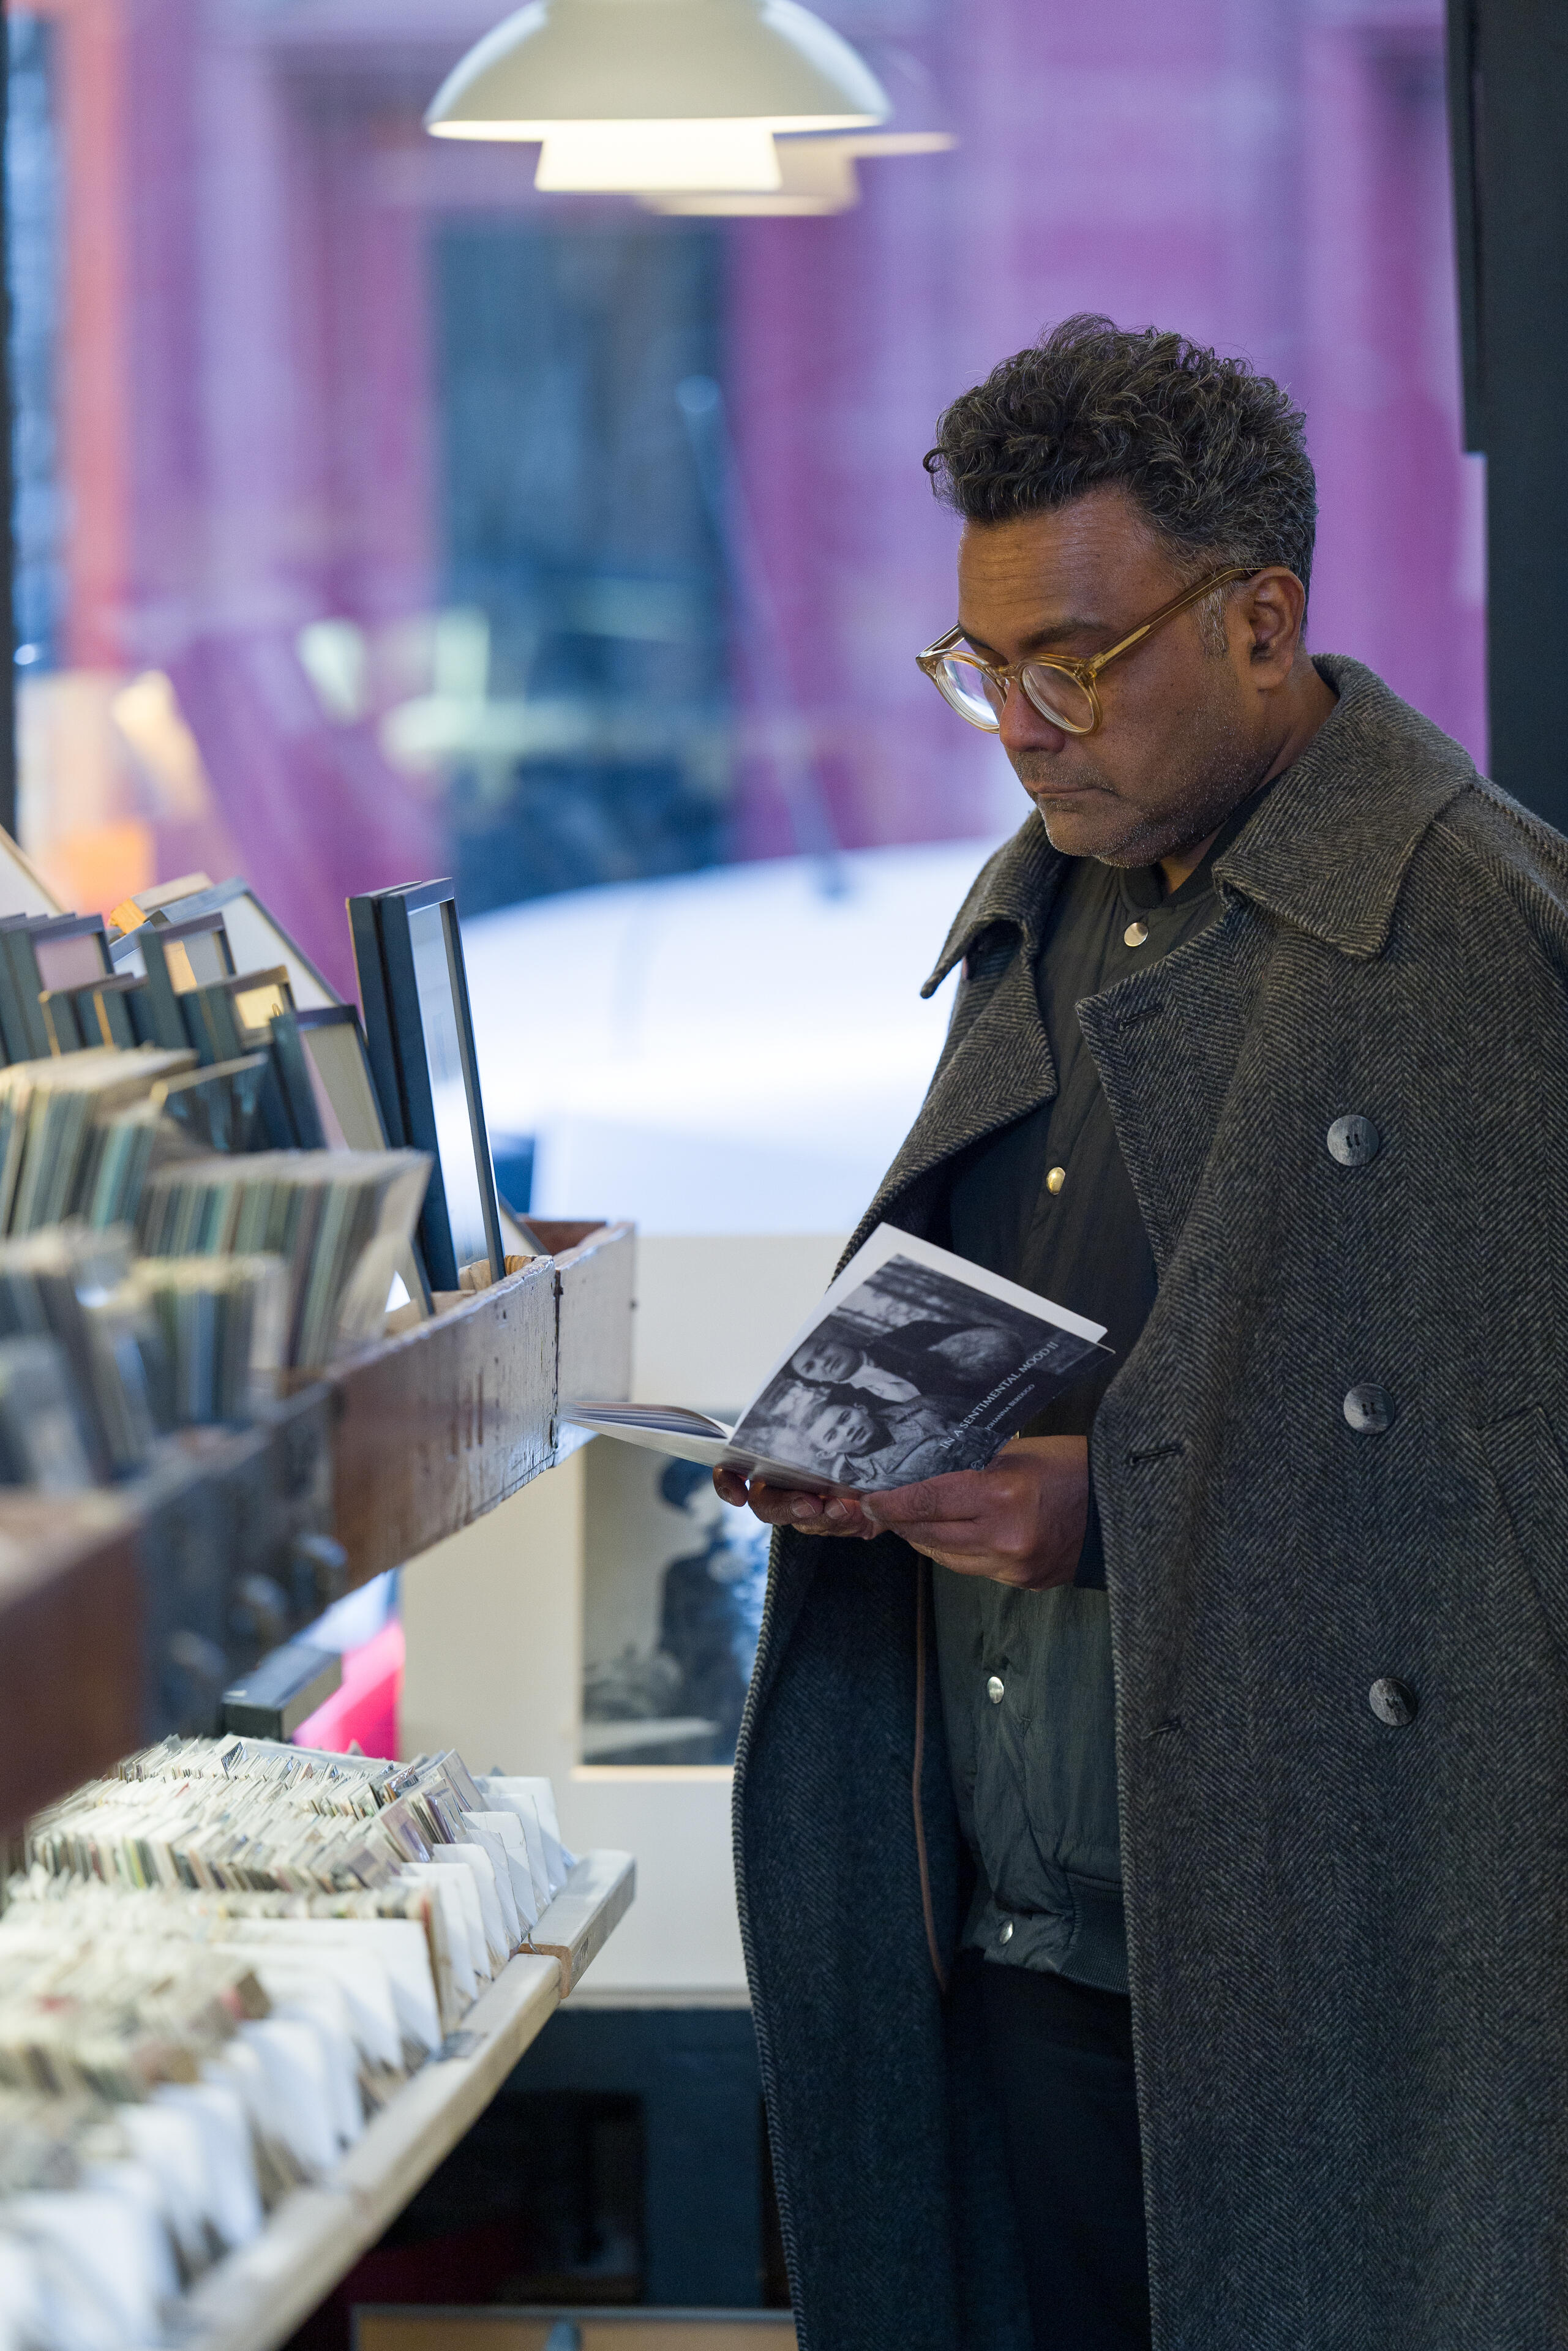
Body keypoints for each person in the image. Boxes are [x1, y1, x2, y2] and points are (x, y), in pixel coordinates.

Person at [720, 315, 1568, 2350]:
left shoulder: (1467, 932)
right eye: (981, 665)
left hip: (1309, 1972)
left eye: (1075, 661)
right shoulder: (1055, 897)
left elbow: (1503, 1505)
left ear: (1261, 621)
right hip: (1013, 1925)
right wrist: (867, 1448)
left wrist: (1097, 1515)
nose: (1020, 724)